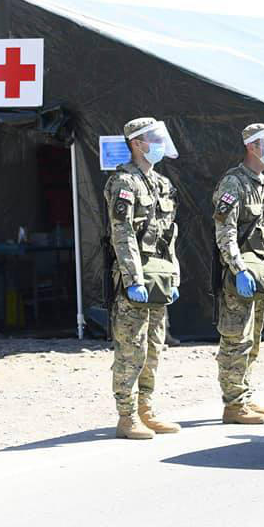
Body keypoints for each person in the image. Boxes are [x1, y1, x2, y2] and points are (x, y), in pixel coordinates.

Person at [104, 117, 182, 439]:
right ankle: (127, 416)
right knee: (131, 348)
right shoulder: (124, 183)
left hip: (159, 277)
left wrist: (174, 275)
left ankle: (146, 409)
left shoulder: (162, 183)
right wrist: (133, 279)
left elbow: (170, 235)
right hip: (135, 278)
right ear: (137, 144)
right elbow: (122, 235)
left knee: (154, 346)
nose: (160, 144)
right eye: (154, 139)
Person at [212, 123, 264, 425]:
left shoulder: (263, 183)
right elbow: (224, 233)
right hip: (241, 277)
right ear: (253, 147)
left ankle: (245, 396)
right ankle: (233, 405)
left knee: (252, 340)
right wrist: (238, 268)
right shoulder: (233, 183)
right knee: (235, 340)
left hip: (261, 273)